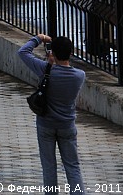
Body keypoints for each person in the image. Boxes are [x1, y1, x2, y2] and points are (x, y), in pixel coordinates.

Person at [18, 34, 86, 192]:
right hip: (67, 125)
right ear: (71, 53)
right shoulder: (79, 75)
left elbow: (23, 52)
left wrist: (39, 38)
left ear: (52, 53)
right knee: (72, 167)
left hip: (45, 124)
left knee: (49, 167)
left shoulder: (45, 70)